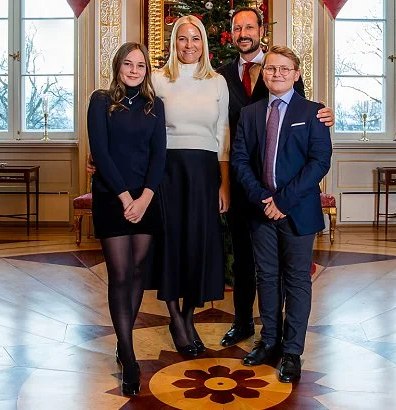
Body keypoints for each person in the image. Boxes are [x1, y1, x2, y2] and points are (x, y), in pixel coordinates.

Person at [216, 7, 334, 347]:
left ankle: (290, 347)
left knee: (293, 276)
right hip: (248, 189)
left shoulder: (282, 70)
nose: (243, 33)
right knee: (248, 264)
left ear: (260, 30)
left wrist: (324, 115)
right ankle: (246, 326)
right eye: (237, 28)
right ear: (231, 32)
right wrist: (256, 193)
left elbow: (308, 117)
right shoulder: (220, 76)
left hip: (291, 196)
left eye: (249, 27)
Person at [231, 45, 332, 383]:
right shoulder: (249, 114)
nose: (276, 74)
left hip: (297, 212)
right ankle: (269, 340)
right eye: (271, 69)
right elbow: (240, 161)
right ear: (264, 73)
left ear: (296, 74)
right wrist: (263, 199)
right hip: (261, 212)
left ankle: (292, 351)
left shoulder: (313, 112)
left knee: (297, 280)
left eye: (284, 69)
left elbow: (319, 162)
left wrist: (283, 201)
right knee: (267, 278)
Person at [87, 42, 166, 396]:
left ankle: (123, 341)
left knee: (136, 272)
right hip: (111, 197)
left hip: (146, 199)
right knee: (119, 274)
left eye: (141, 65)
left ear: (147, 70)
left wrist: (146, 197)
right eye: (128, 64)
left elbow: (159, 154)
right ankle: (129, 357)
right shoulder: (100, 101)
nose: (134, 70)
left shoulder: (155, 106)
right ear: (118, 65)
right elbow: (100, 153)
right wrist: (124, 198)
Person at [152, 15, 230, 357]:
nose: (189, 45)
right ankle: (175, 318)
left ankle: (185, 317)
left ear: (204, 44)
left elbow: (222, 135)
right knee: (171, 245)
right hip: (167, 170)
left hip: (203, 172)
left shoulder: (216, 82)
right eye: (182, 39)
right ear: (174, 43)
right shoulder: (158, 80)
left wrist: (223, 185)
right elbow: (145, 130)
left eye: (195, 39)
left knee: (199, 246)